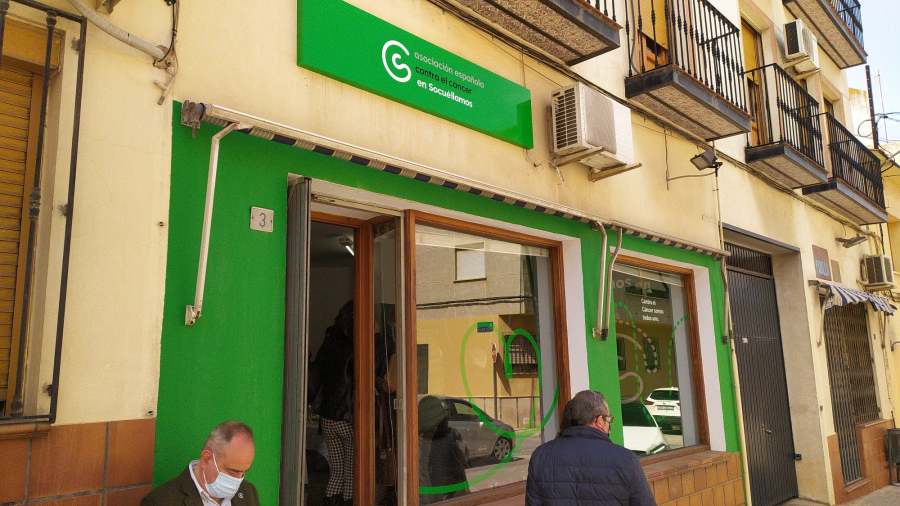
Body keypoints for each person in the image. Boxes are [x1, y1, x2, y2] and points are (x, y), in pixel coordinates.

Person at [526, 390, 656, 506]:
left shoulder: (540, 456)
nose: (609, 426)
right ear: (599, 421)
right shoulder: (626, 460)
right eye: (609, 420)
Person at [141, 420, 259, 506]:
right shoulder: (160, 502)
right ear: (206, 459)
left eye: (243, 472)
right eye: (233, 472)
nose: (238, 480)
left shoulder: (248, 492)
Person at [309, 301, 355, 506]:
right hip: (346, 416)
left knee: (336, 469)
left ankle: (330, 500)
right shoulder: (355, 345)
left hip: (327, 417)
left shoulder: (329, 342)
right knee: (351, 468)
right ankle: (347, 502)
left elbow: (318, 371)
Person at [418, 395, 469, 504]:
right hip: (444, 497)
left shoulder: (417, 442)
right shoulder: (449, 438)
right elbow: (463, 464)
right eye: (444, 419)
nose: (447, 421)